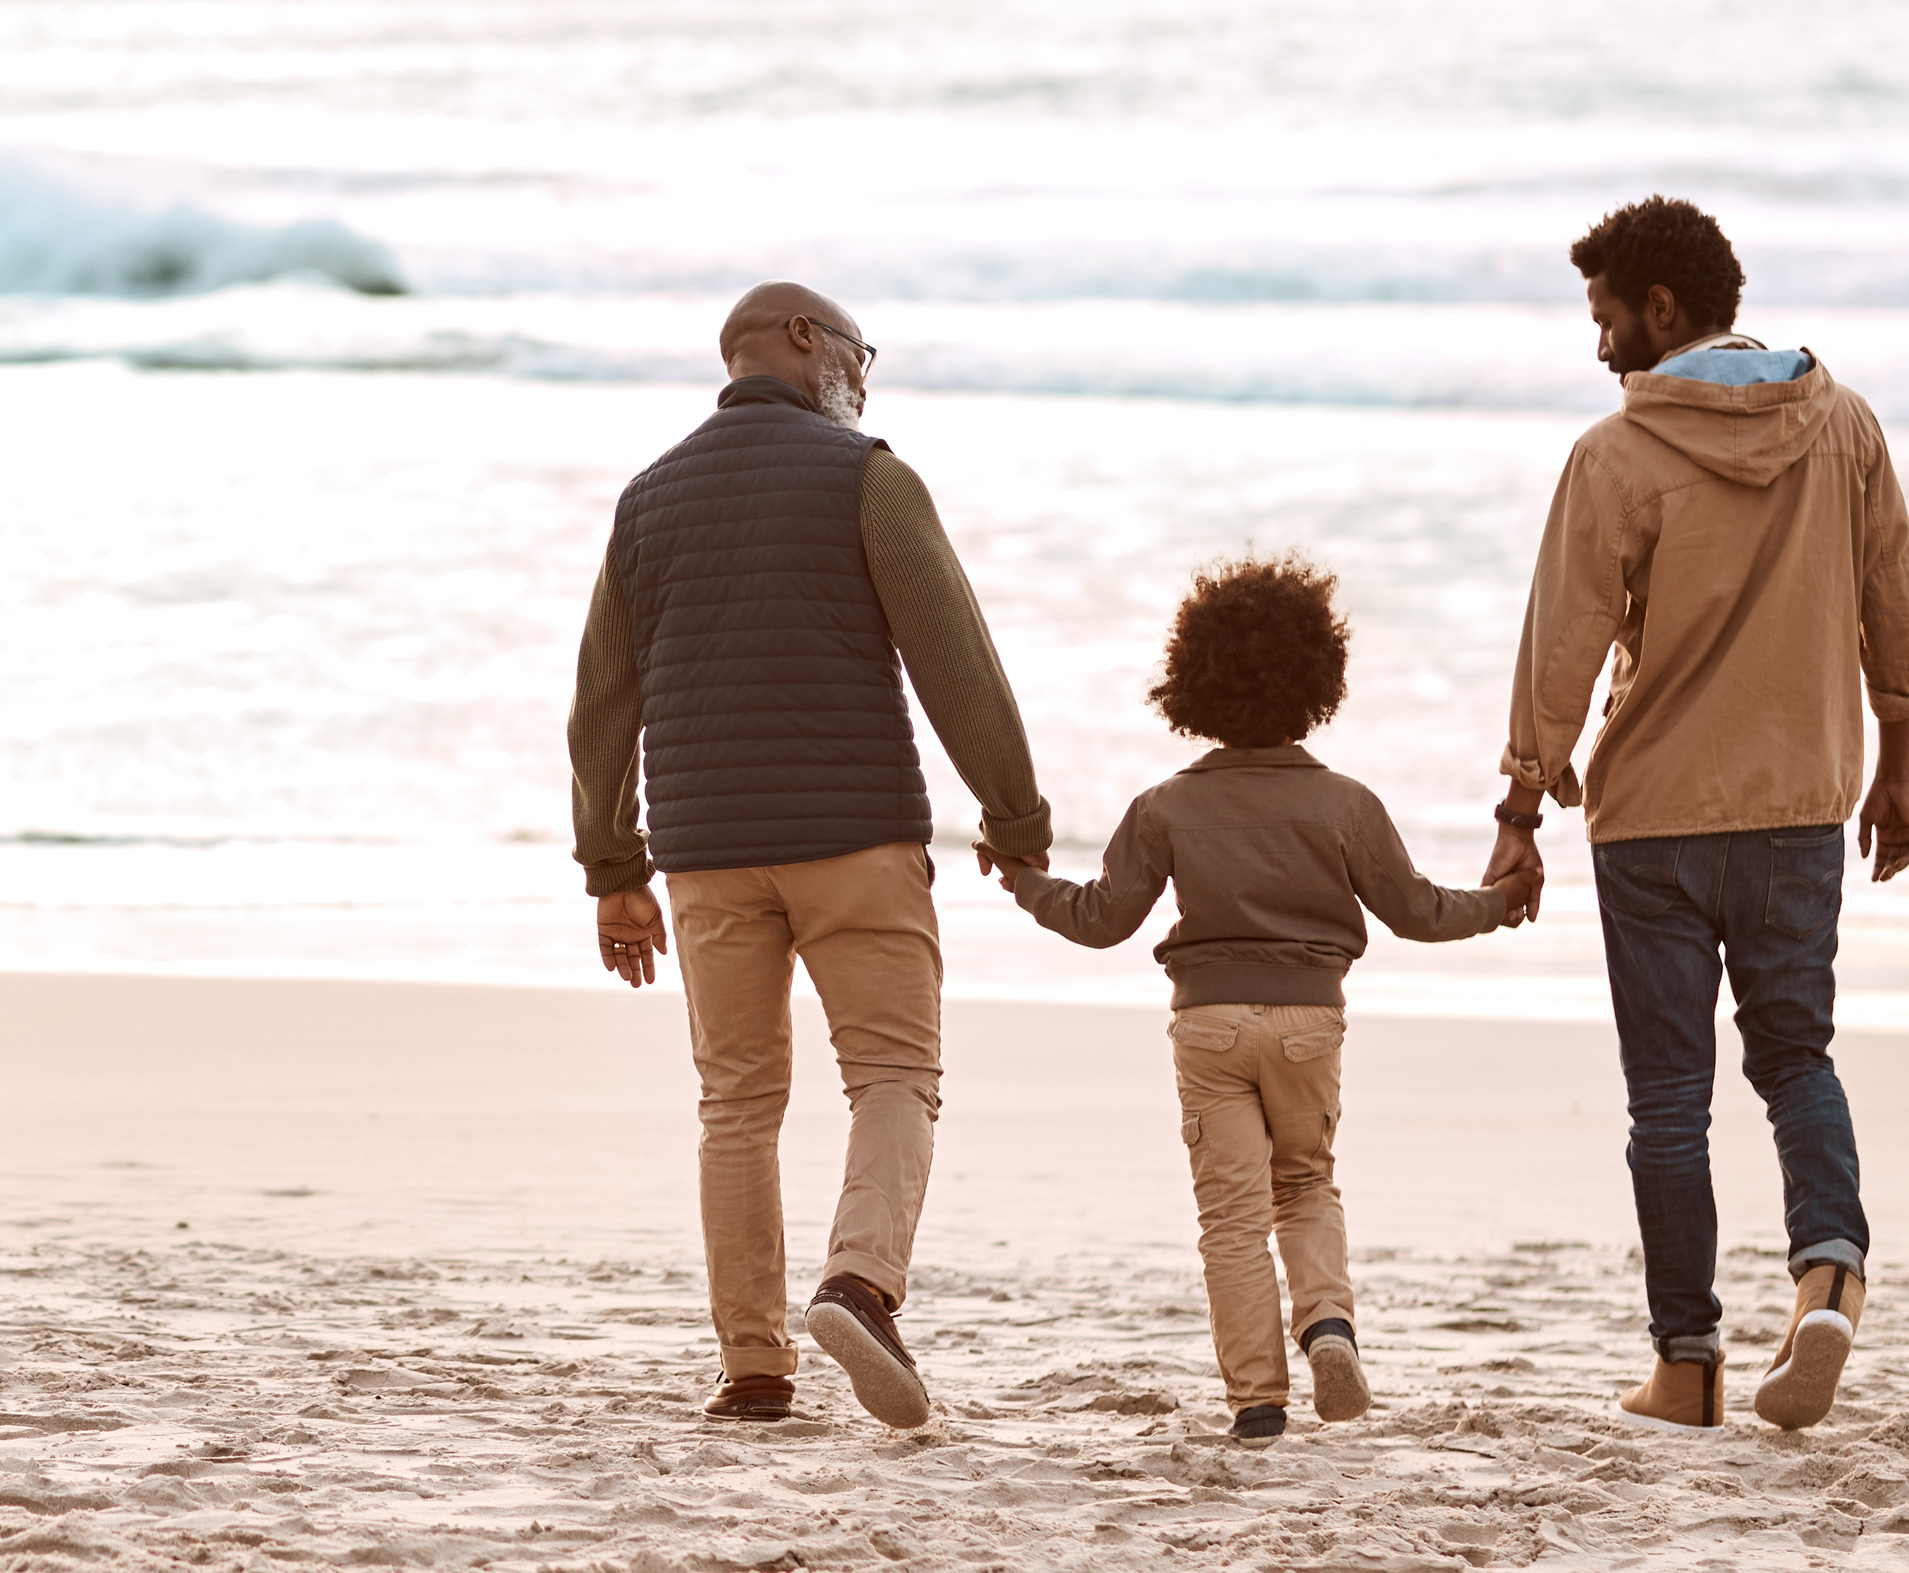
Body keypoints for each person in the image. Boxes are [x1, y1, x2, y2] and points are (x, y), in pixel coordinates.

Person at [1485, 197, 1909, 1432]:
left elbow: (1562, 642)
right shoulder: (1843, 425)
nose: (1600, 348)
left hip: (1653, 825)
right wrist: (1898, 760)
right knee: (1797, 1055)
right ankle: (1829, 1269)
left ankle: (1686, 1366)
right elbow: (1891, 596)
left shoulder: (1615, 455)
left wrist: (1521, 802)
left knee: (1668, 1103)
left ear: (1663, 309)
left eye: (1606, 318)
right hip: (1801, 804)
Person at [570, 282, 1053, 1427]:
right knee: (893, 1076)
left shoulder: (646, 501)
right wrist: (1018, 818)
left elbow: (601, 703)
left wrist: (614, 869)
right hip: (857, 840)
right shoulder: (866, 475)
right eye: (857, 351)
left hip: (707, 857)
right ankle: (860, 1283)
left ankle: (752, 1366)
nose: (865, 376)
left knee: (736, 1101)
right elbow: (955, 661)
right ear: (801, 341)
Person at [982, 556, 1529, 1444]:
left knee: (1230, 1219)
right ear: (1319, 679)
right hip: (1311, 1026)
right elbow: (1420, 913)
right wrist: (1503, 903)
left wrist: (1023, 880)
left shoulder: (1164, 807)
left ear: (1192, 682)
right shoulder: (1346, 805)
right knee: (1307, 1183)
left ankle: (1258, 1403)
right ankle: (1327, 1326)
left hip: (1208, 1027)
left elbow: (1099, 919)